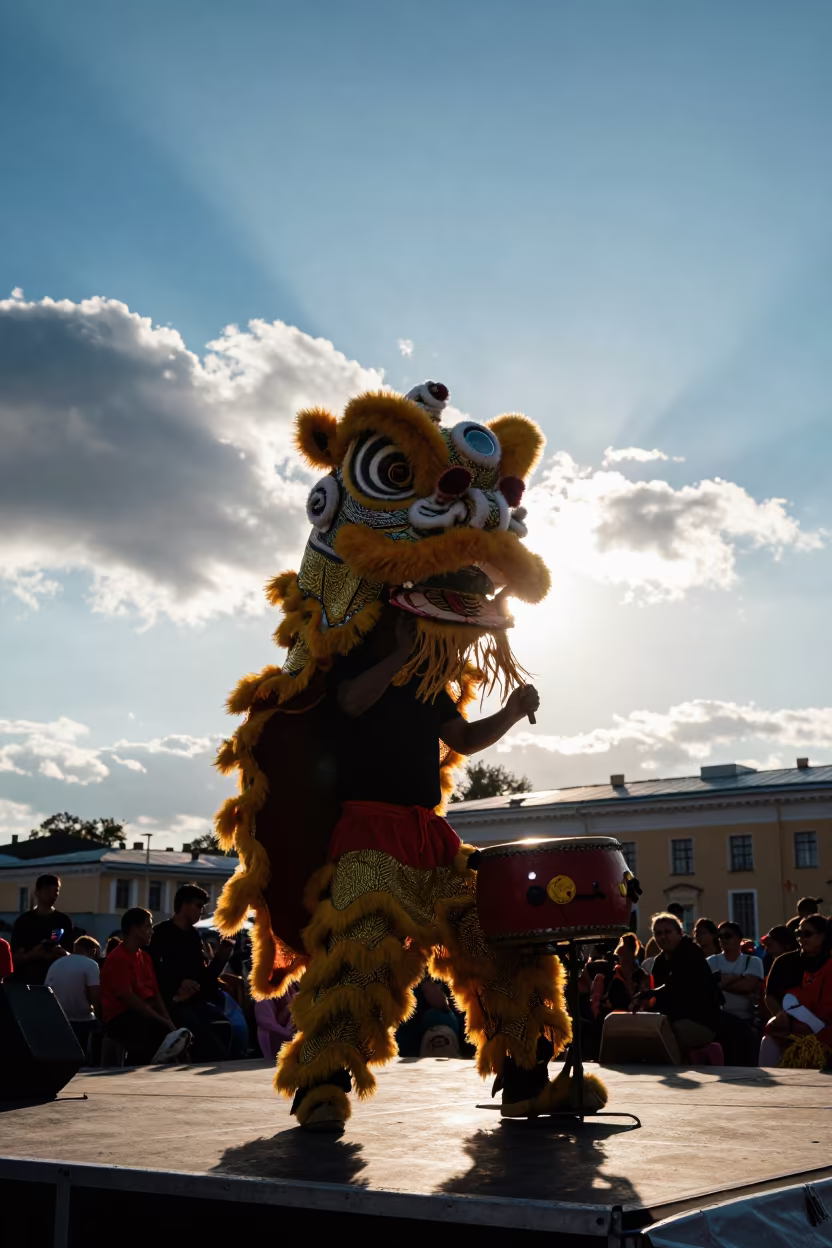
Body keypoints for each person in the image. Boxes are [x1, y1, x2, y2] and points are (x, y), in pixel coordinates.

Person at [149, 884, 237, 1061]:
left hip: (195, 1001)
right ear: (184, 905)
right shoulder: (160, 933)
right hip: (170, 1002)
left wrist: (221, 957)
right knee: (204, 1035)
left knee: (225, 1025)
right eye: (199, 905)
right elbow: (152, 970)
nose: (202, 911)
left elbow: (203, 978)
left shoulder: (194, 936)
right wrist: (178, 984)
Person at [100, 907, 190, 1065]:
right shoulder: (118, 958)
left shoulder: (145, 957)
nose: (151, 931)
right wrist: (161, 1021)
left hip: (145, 1012)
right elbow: (128, 998)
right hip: (121, 1017)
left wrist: (169, 1022)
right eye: (148, 927)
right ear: (135, 929)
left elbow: (155, 994)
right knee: (155, 1029)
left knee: (177, 1026)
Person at [632, 912, 721, 1057]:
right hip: (673, 1019)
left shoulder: (691, 952)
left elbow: (678, 986)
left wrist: (651, 994)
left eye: (668, 932)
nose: (663, 937)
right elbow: (661, 999)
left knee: (666, 1032)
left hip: (701, 1022)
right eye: (658, 933)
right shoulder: (659, 962)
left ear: (680, 933)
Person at [760, 915, 832, 1068]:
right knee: (769, 1040)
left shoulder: (829, 965)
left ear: (822, 936)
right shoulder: (784, 961)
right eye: (799, 933)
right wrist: (779, 1013)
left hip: (823, 1031)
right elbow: (770, 995)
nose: (802, 938)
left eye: (808, 934)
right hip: (787, 1026)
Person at [708, 921, 764, 1065]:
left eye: (728, 935)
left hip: (745, 1019)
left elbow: (748, 987)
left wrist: (721, 982)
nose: (723, 940)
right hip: (717, 1020)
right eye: (720, 936)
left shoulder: (753, 961)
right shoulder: (711, 961)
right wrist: (739, 976)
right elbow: (708, 985)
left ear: (739, 938)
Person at [9, 875, 73, 985]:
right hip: (27, 982)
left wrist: (60, 953)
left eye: (56, 891)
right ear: (37, 893)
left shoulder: (63, 921)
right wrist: (32, 955)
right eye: (48, 890)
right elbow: (13, 958)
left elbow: (71, 955)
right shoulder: (24, 921)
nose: (54, 895)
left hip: (56, 982)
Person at [45, 935, 101, 1053]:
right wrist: (101, 1017)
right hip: (82, 1019)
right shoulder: (91, 965)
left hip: (58, 1018)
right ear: (93, 951)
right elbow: (95, 995)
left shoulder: (56, 964)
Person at [607, 934, 649, 1012]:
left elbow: (646, 999)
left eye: (627, 952)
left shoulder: (641, 975)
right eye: (621, 954)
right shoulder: (612, 976)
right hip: (616, 1018)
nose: (623, 958)